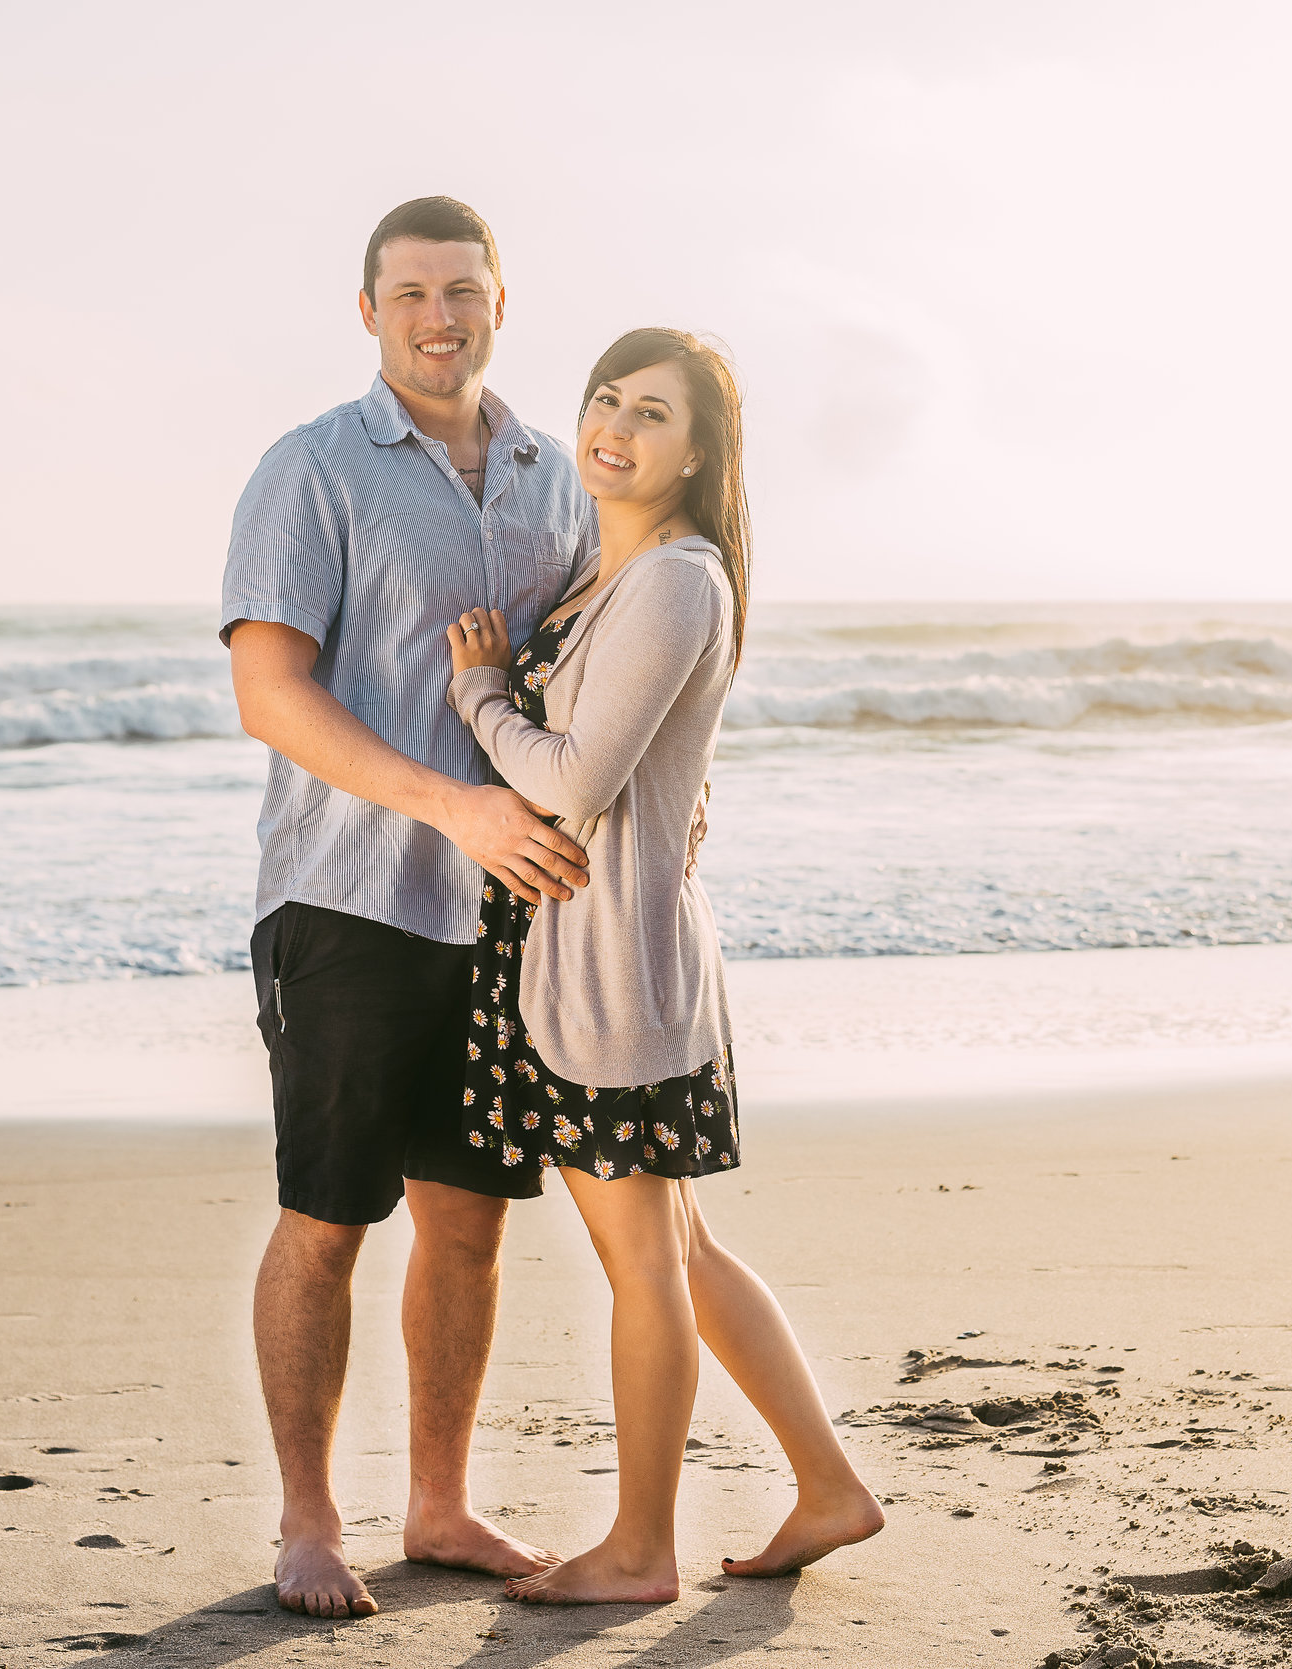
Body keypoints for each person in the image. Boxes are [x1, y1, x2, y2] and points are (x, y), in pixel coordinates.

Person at [440, 327, 884, 1604]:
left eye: (652, 413)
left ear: (699, 455)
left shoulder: (677, 579)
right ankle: (829, 1485)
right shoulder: (606, 573)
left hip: (611, 976)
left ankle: (639, 1549)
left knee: (644, 1261)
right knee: (678, 1249)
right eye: (604, 399)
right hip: (586, 956)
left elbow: (574, 783)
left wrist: (478, 694)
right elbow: (648, 748)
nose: (614, 427)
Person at [220, 196, 593, 1619]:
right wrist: (451, 806)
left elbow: (576, 689)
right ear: (368, 311)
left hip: (505, 918)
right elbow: (270, 693)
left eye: (463, 291)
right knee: (328, 1216)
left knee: (471, 1222)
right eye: (411, 293)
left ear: (503, 301)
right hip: (348, 902)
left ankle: (437, 1502)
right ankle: (309, 1517)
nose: (440, 317)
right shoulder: (310, 469)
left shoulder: (559, 477)